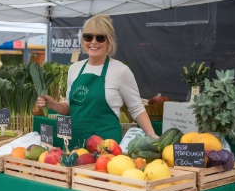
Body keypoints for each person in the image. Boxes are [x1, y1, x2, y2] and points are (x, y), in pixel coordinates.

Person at [37, 14, 158, 149]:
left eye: (100, 38)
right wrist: (54, 105)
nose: (93, 42)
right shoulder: (74, 69)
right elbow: (71, 107)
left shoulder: (121, 71)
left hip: (107, 148)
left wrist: (152, 135)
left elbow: (136, 108)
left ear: (109, 42)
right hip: (76, 147)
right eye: (88, 37)